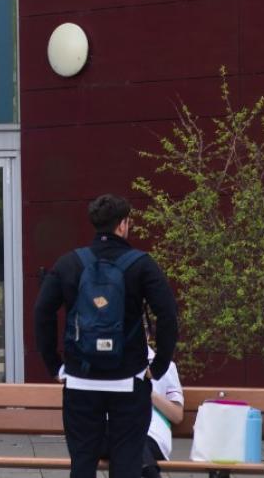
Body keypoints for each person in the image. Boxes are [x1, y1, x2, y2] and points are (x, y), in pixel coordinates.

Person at [34, 194, 178, 478]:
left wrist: (55, 366)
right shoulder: (142, 264)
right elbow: (168, 315)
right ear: (123, 224)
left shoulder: (69, 263)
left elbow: (42, 313)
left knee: (82, 464)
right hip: (128, 382)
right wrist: (159, 366)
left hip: (80, 381)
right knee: (127, 466)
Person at [141, 345, 183, 478]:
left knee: (132, 443)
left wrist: (145, 390)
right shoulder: (109, 364)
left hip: (152, 435)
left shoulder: (165, 366)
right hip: (114, 432)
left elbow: (177, 415)